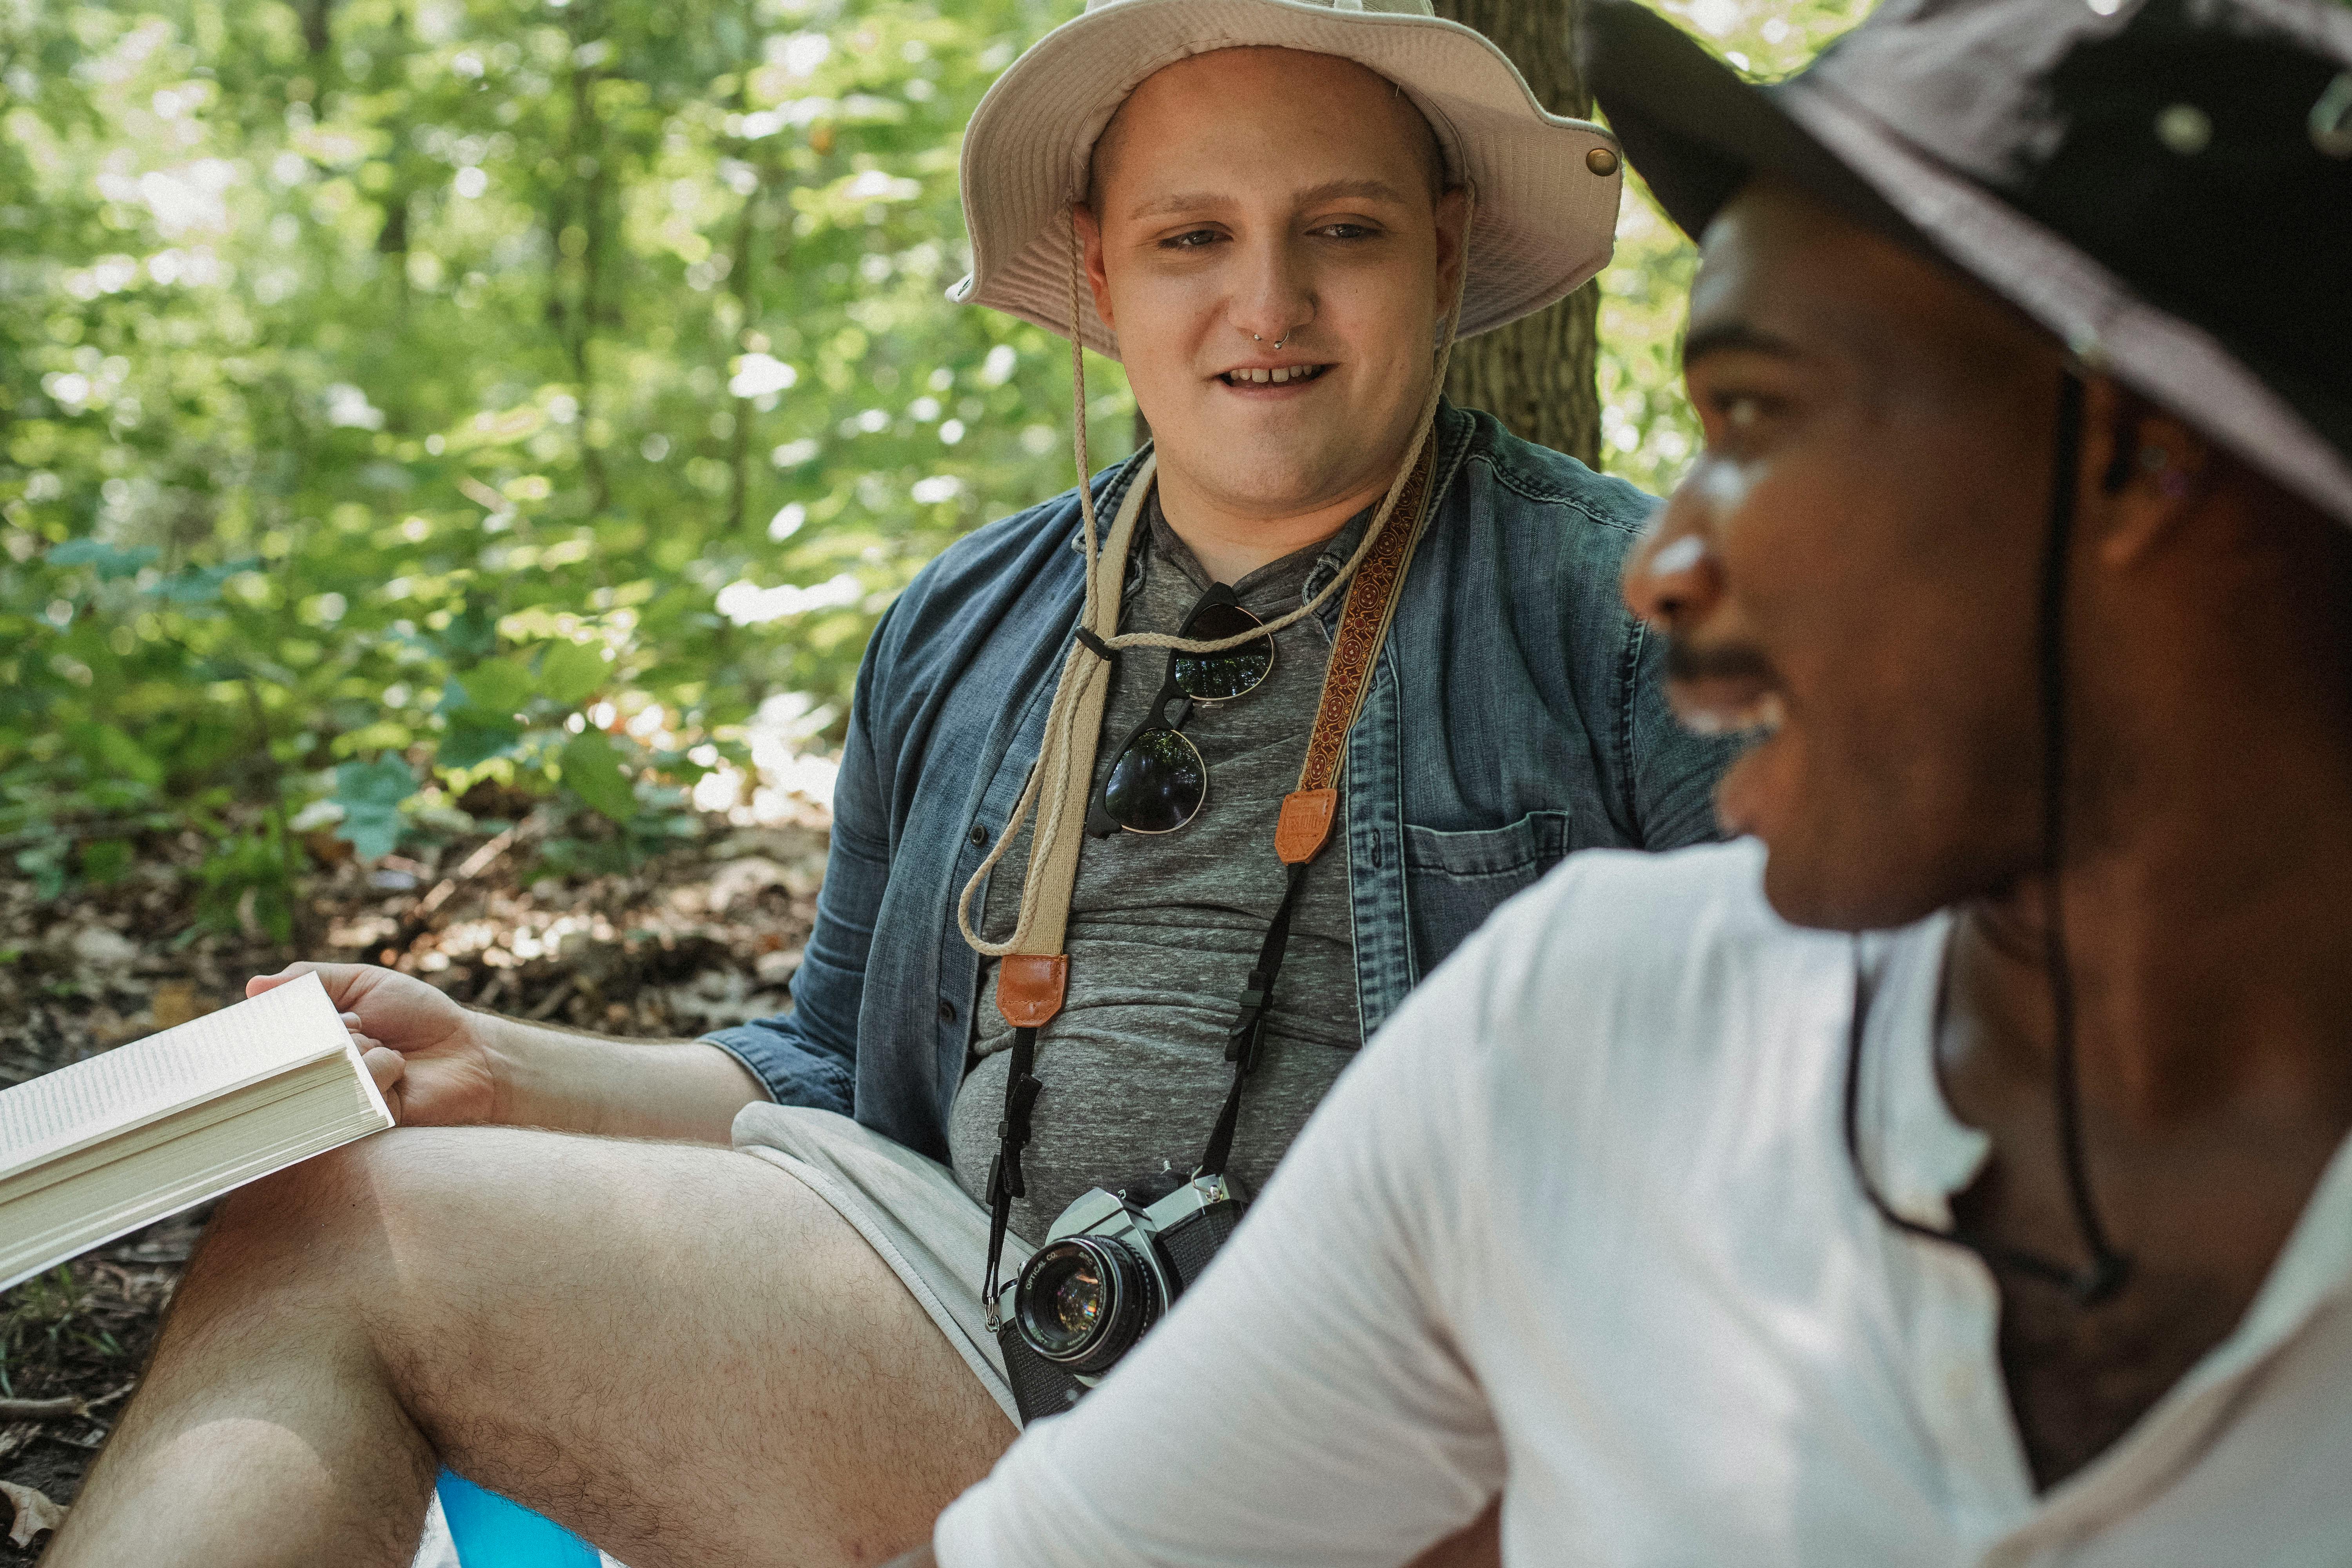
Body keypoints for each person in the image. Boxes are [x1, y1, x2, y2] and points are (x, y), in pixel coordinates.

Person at [42, 2, 1727, 1563]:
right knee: (326, 1216)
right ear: (1101, 272)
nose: (1267, 302)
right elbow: (837, 1076)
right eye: (1192, 236)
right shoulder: (965, 621)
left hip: (1425, 1448)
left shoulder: (1633, 608)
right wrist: (498, 1061)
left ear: (1443, 255)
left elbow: (1802, 1120)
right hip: (990, 1355)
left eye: (1340, 231)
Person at [884, 0, 2352, 1563]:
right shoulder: (1578, 1034)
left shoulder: (1593, 855)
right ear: (1100, 273)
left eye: (1761, 417)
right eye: (1192, 237)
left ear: (2136, 463)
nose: (1658, 563)